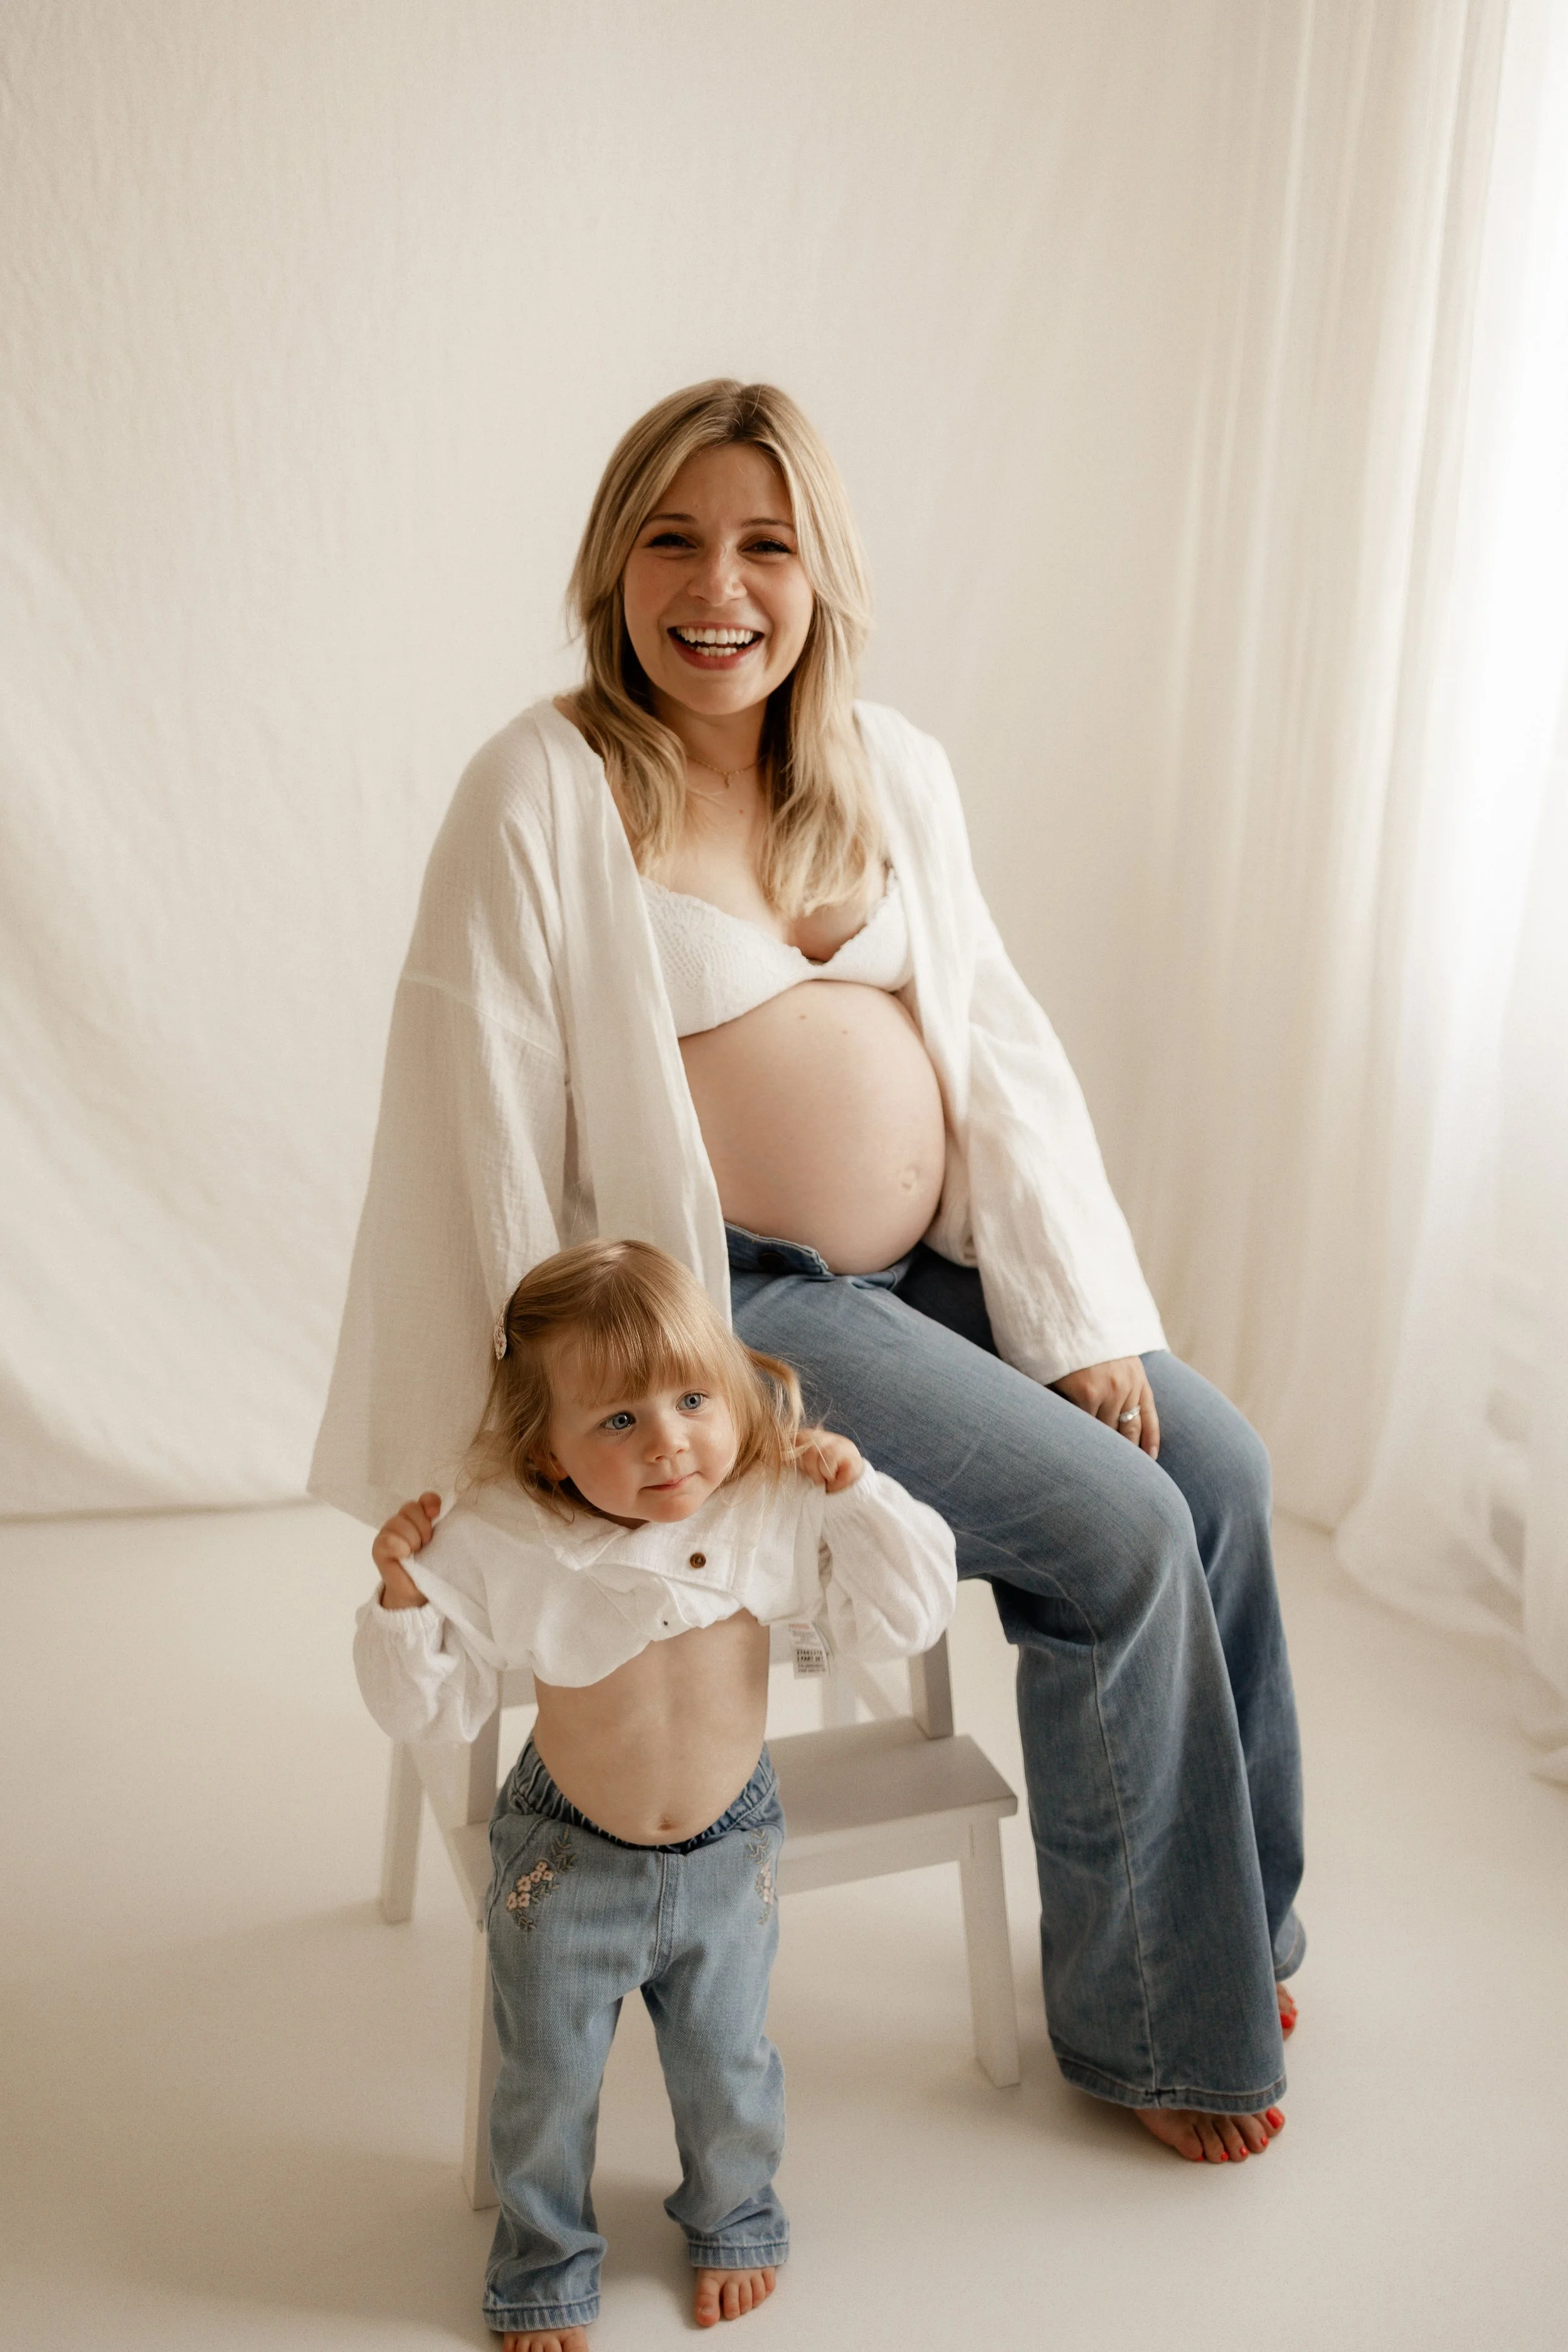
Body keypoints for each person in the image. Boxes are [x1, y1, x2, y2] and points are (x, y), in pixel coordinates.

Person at [313, 376, 1303, 2166]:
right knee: (1119, 1535)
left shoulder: (888, 766)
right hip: (730, 1315)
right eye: (672, 539)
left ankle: (1235, 1916)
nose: (719, 585)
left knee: (1214, 1468)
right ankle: (1162, 2018)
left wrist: (1075, 1323)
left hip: (932, 1270)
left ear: (819, 571)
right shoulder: (544, 787)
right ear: (611, 568)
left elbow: (993, 1042)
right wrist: (539, 1428)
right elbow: (465, 1098)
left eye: (764, 542)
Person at [354, 1237, 956, 2348]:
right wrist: (402, 1598)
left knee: (730, 2061)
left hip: (733, 1849)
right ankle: (544, 2255)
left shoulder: (769, 1504)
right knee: (545, 2077)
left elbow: (914, 1611)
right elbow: (425, 1712)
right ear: (547, 1451)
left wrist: (858, 1492)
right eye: (618, 1421)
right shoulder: (506, 1536)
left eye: (691, 1397)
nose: (670, 1440)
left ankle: (735, 2209)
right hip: (566, 1856)